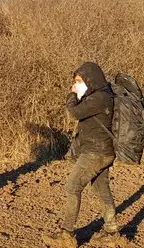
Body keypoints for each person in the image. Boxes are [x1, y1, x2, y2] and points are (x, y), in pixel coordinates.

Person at [43, 62, 121, 247]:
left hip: (95, 153)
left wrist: (71, 95)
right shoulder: (102, 95)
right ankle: (112, 231)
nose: (76, 85)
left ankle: (67, 235)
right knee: (101, 188)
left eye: (79, 81)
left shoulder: (98, 98)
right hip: (104, 151)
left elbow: (73, 113)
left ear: (90, 79)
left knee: (72, 187)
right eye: (75, 82)